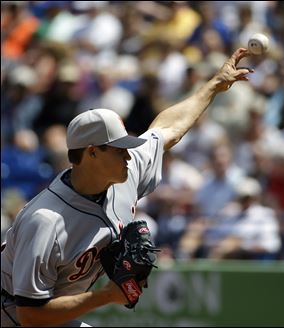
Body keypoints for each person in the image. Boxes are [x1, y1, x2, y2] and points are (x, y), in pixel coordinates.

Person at [1, 48, 253, 327]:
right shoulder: (45, 221)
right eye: (119, 149)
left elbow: (167, 129)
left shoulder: (124, 174)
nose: (128, 155)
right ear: (92, 152)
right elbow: (30, 316)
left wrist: (213, 86)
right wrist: (106, 296)